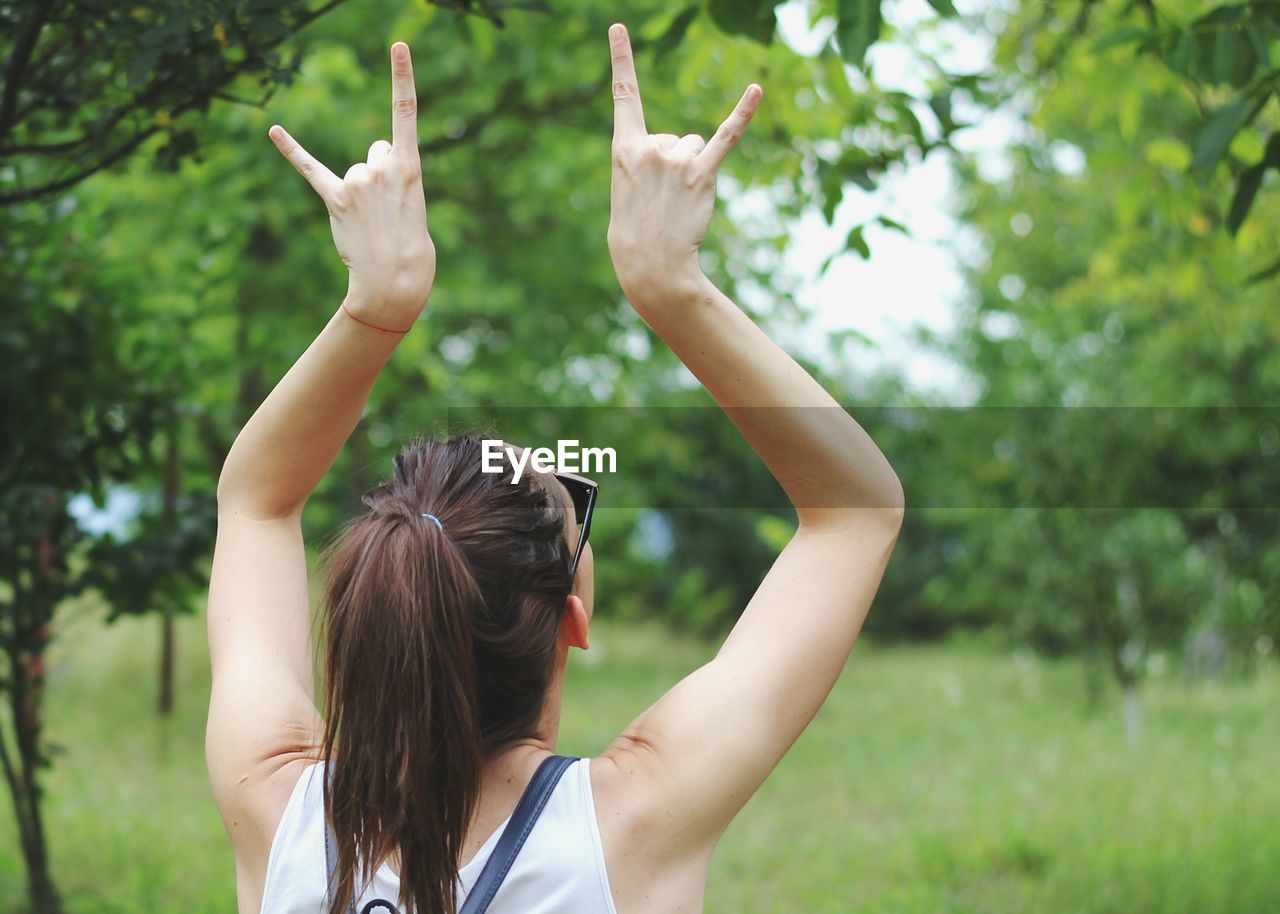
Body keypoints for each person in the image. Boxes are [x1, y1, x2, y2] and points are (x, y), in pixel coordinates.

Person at [205, 23, 904, 914]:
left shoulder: (279, 816)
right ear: (572, 619)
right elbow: (856, 506)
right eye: (572, 497)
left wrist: (374, 309)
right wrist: (670, 286)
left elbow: (256, 500)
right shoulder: (629, 829)